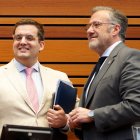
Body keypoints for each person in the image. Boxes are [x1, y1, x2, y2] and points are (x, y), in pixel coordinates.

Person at [69, 6, 140, 140]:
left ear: (115, 29)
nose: (89, 31)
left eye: (96, 25)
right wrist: (77, 120)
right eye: (88, 26)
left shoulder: (130, 57)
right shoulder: (102, 63)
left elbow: (136, 105)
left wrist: (92, 115)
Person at [0, 19, 72, 140]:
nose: (22, 42)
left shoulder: (60, 78)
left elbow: (73, 116)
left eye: (29, 38)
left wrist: (64, 122)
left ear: (41, 45)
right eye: (18, 38)